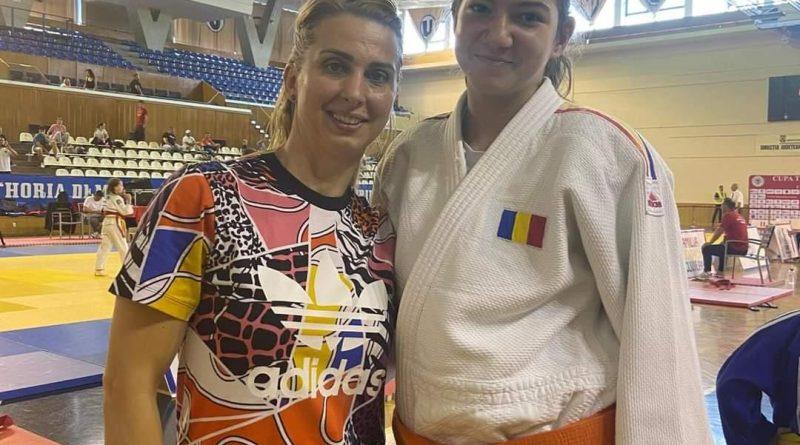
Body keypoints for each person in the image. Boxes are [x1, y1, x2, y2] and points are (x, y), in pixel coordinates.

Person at [375, 0, 712, 443]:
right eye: (480, 9)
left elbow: (658, 338)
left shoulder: (609, 154)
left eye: (528, 16)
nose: (499, 34)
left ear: (561, 36)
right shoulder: (409, 155)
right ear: (454, 19)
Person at [104, 0, 401, 443]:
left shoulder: (379, 232)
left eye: (378, 75)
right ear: (293, 78)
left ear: (393, 94)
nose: (355, 92)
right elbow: (129, 384)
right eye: (335, 66)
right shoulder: (203, 197)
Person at [717, 309, 800, 445]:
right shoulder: (788, 331)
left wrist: (761, 436)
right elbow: (732, 383)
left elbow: (732, 383)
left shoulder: (786, 330)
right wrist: (762, 435)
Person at [698, 198, 748, 280]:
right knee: (723, 246)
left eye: (722, 205)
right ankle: (720, 272)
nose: (721, 207)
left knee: (706, 248)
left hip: (735, 248)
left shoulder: (728, 215)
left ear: (725, 206)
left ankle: (707, 272)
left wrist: (710, 242)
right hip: (744, 249)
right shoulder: (739, 216)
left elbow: (719, 231)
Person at [95, 178, 133, 276]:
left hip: (106, 223)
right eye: (120, 185)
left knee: (104, 247)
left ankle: (99, 268)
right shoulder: (117, 198)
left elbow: (102, 209)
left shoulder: (107, 197)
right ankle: (129, 269)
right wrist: (128, 201)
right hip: (115, 223)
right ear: (115, 187)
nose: (122, 187)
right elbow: (126, 212)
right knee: (122, 246)